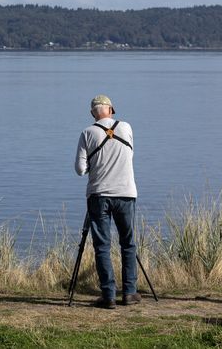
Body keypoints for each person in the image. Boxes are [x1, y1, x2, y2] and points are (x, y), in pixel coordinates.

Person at [74, 94, 140, 309]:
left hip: (99, 195)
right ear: (111, 109)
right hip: (126, 193)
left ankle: (108, 295)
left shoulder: (87, 132)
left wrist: (95, 165)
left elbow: (80, 170)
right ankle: (129, 292)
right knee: (128, 243)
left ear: (93, 113)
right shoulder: (127, 127)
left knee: (102, 246)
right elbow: (128, 155)